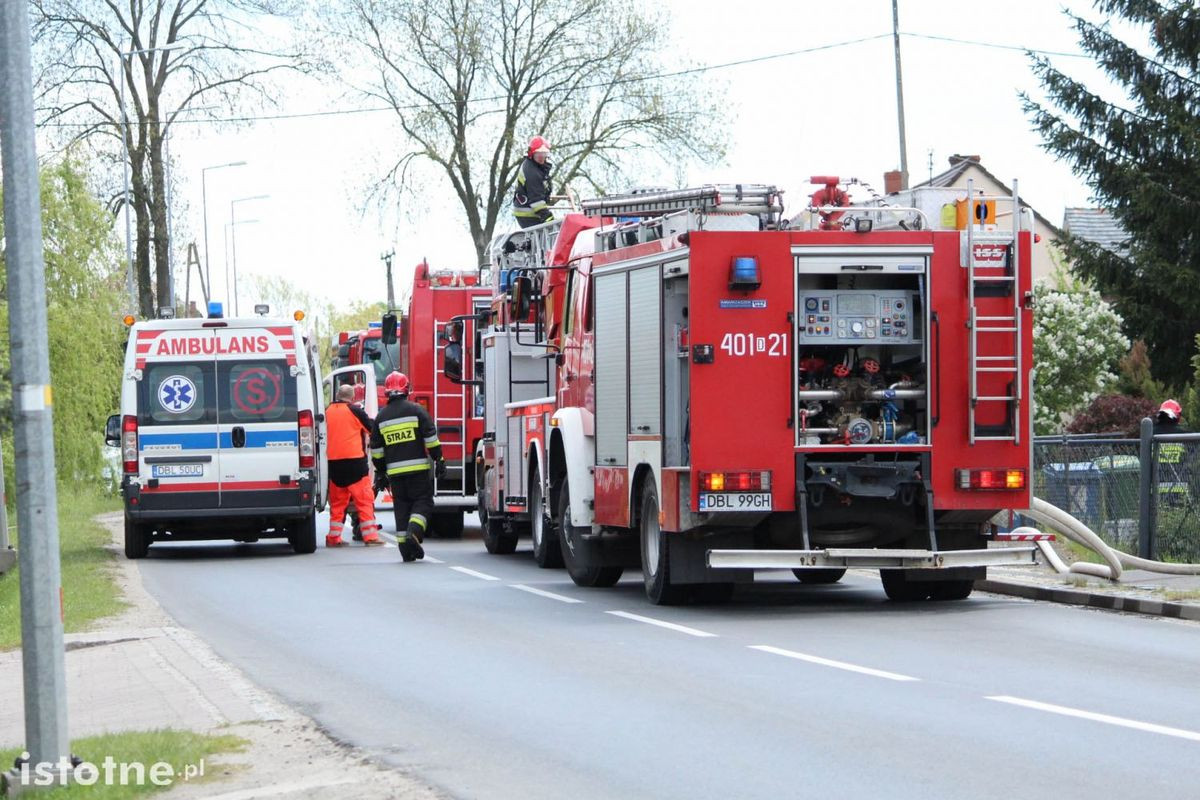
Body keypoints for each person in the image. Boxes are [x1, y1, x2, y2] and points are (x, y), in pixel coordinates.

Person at [370, 371, 445, 562]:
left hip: (395, 475)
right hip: (418, 471)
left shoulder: (381, 418)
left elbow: (376, 451)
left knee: (401, 509)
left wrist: (380, 472)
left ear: (387, 391)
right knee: (423, 502)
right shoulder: (417, 410)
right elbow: (431, 438)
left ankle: (405, 549)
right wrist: (439, 459)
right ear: (406, 389)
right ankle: (414, 531)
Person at [324, 384, 382, 547]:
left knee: (337, 504)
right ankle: (370, 537)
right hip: (355, 464)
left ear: (337, 394)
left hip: (333, 465)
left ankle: (333, 538)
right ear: (353, 397)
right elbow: (373, 430)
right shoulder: (355, 411)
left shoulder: (327, 411)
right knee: (364, 501)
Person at [1153, 399, 1191, 507]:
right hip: (1180, 486)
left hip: (1155, 486)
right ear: (1177, 416)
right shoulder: (1185, 435)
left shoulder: (1150, 433)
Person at [512, 136, 553, 228]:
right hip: (528, 214)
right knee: (545, 237)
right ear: (532, 154)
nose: (541, 157)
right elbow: (536, 200)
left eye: (544, 153)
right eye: (538, 154)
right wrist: (548, 218)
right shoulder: (532, 172)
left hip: (531, 212)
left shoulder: (537, 167)